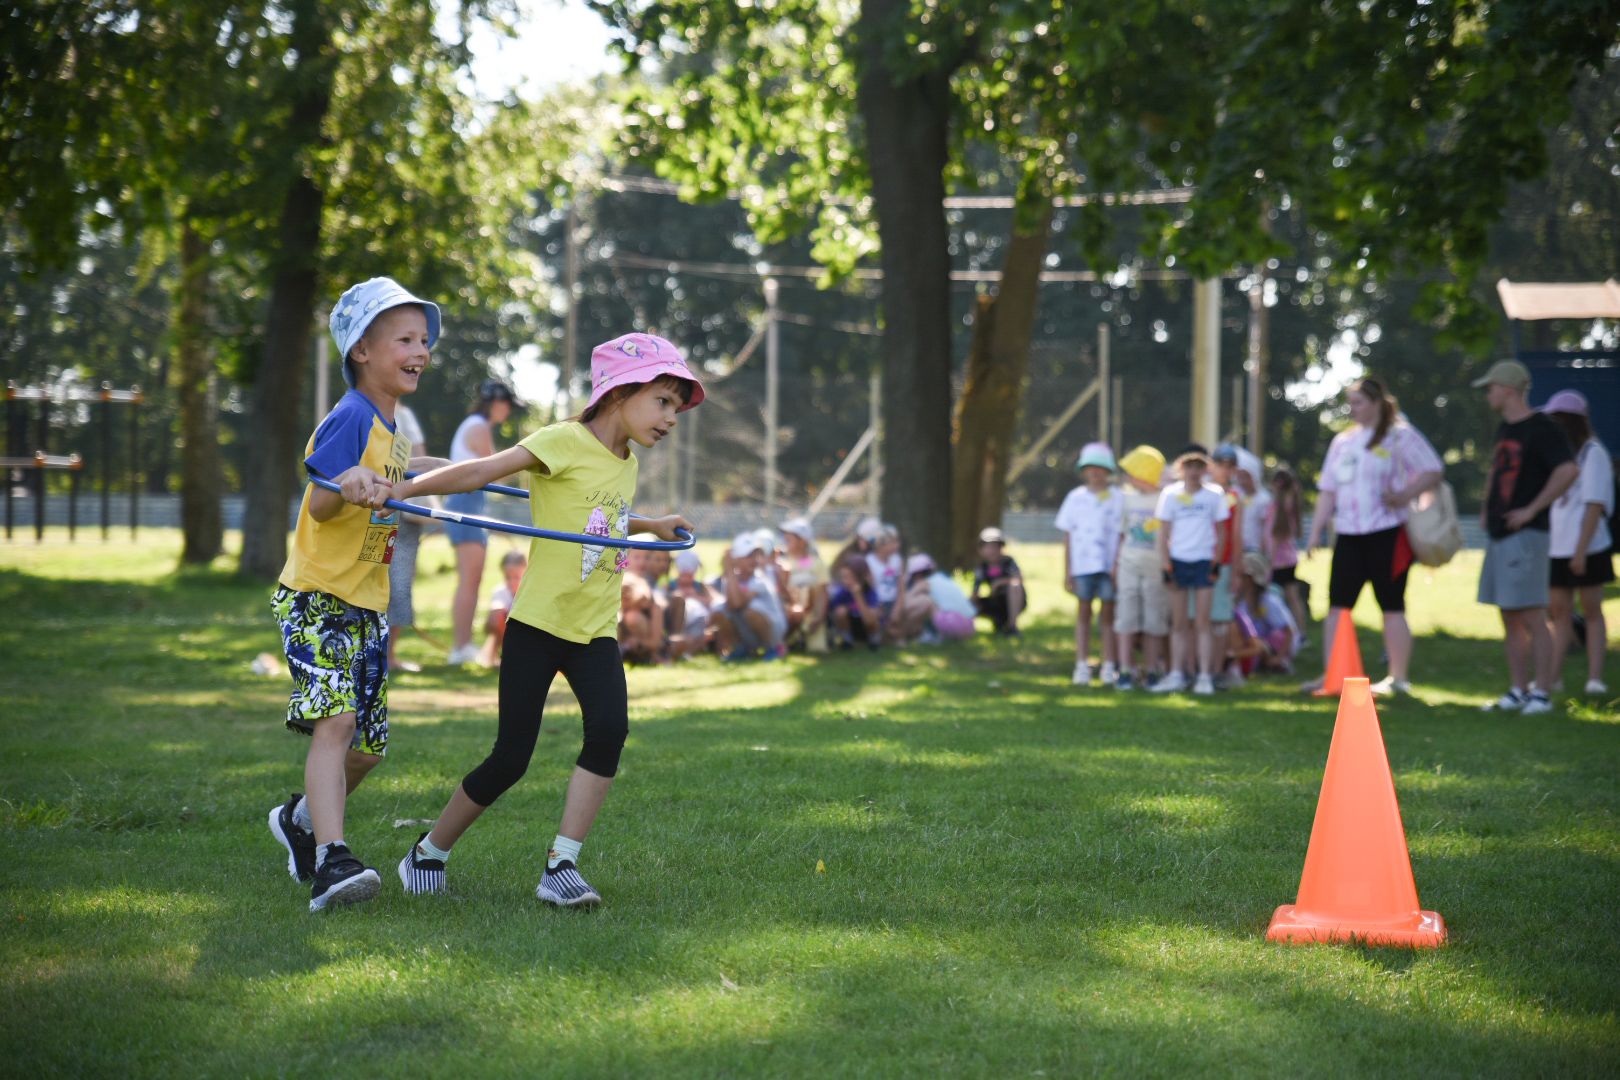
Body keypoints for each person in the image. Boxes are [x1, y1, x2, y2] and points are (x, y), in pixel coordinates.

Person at [388, 331, 701, 906]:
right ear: (619, 393)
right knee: (511, 758)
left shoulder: (624, 460)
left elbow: (602, 517)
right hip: (538, 624)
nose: (671, 419)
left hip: (595, 627)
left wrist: (651, 524)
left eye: (675, 408)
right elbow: (482, 472)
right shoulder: (563, 440)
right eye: (662, 402)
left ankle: (561, 865)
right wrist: (402, 491)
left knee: (609, 733)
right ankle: (427, 852)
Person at [266, 276, 444, 912]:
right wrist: (351, 481)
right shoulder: (350, 416)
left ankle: (300, 821)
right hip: (319, 596)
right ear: (362, 351)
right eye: (404, 338)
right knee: (336, 723)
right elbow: (318, 501)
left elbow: (401, 478)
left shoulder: (394, 429)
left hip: (368, 604)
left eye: (424, 339)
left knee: (368, 751)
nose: (420, 349)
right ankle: (333, 863)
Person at [1304, 376, 1444, 697]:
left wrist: (1405, 493)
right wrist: (1314, 533)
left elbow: (1433, 469)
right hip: (1349, 535)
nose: (1352, 409)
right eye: (1350, 403)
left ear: (1377, 403)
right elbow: (1327, 490)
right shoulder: (1343, 442)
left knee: (1392, 605)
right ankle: (1333, 674)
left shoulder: (1400, 436)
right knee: (1338, 605)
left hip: (1387, 534)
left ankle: (1398, 678)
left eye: (1358, 402)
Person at [1471, 361, 1579, 714]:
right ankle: (1518, 690)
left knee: (1533, 613)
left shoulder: (1543, 428)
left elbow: (1567, 470)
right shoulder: (1505, 428)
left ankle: (1541, 694)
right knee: (1508, 614)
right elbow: (1497, 471)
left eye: (1491, 387)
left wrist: (1532, 509)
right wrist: (1488, 508)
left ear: (1508, 389)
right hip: (1502, 533)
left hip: (1527, 535)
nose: (1488, 393)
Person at [1543, 391, 1613, 696]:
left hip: (1589, 547)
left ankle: (1595, 678)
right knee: (1559, 614)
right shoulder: (1562, 457)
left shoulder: (1594, 453)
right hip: (1558, 548)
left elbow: (1594, 505)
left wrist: (1581, 551)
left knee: (1592, 610)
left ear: (1568, 422)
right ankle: (1553, 678)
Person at [445, 378, 519, 665]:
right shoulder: (477, 427)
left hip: (471, 506)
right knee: (469, 579)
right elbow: (495, 470)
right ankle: (460, 647)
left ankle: (463, 645)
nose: (508, 412)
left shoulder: (476, 425)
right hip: (465, 506)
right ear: (496, 403)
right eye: (507, 406)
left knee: (471, 580)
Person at [1150, 451, 1228, 695]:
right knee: (1179, 622)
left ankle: (1204, 675)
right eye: (1189, 467)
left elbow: (1223, 531)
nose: (1194, 472)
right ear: (1181, 470)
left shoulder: (1215, 495)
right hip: (1178, 561)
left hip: (1204, 560)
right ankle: (1176, 673)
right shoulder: (1170, 494)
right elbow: (1163, 533)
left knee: (1203, 622)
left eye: (1199, 467)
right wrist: (1166, 564)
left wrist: (1216, 562)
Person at [1056, 442, 1124, 686]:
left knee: (1108, 616)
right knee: (1083, 613)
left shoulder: (1118, 498)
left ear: (1107, 471)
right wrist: (1067, 571)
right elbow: (1068, 537)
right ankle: (1081, 664)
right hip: (1082, 566)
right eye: (1090, 468)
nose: (1095, 473)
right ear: (1084, 471)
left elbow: (1121, 534)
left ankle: (1108, 663)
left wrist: (1117, 565)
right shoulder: (1075, 498)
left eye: (1100, 468)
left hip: (1108, 566)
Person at [1113, 445, 1170, 691]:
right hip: (1128, 565)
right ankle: (1125, 669)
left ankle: (1151, 669)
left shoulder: (1165, 498)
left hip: (1155, 567)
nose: (1127, 477)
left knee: (1153, 620)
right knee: (1126, 617)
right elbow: (1121, 535)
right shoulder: (1125, 498)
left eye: (1132, 471)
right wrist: (1115, 564)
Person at [386, 401, 429, 674]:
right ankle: (386, 656)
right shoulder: (399, 415)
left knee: (395, 584)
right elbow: (420, 459)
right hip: (396, 510)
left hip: (395, 510)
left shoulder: (401, 415)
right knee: (397, 582)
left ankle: (386, 655)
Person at [712, 532, 788, 661]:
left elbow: (738, 603)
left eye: (755, 555)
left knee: (751, 611)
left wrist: (729, 570)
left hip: (773, 631)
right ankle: (741, 648)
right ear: (736, 559)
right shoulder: (731, 580)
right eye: (748, 556)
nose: (754, 559)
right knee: (719, 610)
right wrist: (730, 572)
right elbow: (730, 606)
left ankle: (775, 648)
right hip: (749, 632)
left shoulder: (760, 580)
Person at [1231, 550, 1298, 677]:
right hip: (1252, 642)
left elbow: (1288, 630)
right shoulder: (1238, 600)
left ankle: (1278, 663)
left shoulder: (1268, 601)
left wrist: (1279, 657)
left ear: (1250, 579)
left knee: (1264, 642)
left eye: (1240, 576)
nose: (1236, 579)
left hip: (1268, 645)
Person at [1267, 466, 1310, 651]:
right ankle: (1300, 632)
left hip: (1278, 561)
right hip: (1289, 558)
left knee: (1279, 599)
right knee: (1293, 598)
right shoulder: (1292, 504)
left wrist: (1269, 561)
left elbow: (1275, 537)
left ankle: (1290, 634)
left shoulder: (1280, 507)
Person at [780, 517, 830, 652]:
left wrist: (819, 618)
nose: (785, 540)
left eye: (790, 537)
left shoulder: (817, 563)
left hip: (812, 614)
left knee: (816, 650)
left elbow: (822, 592)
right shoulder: (780, 562)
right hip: (788, 612)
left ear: (802, 541)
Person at [971, 527, 1026, 637]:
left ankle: (1012, 627)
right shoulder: (982, 567)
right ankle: (966, 629)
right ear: (981, 549)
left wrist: (1000, 582)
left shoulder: (1008, 562)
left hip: (1012, 600)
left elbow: (1019, 578)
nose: (992, 550)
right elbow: (975, 592)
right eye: (988, 547)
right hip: (994, 601)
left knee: (1015, 586)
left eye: (995, 547)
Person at [478, 549, 527, 668]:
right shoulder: (501, 592)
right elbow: (494, 617)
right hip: (507, 631)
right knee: (498, 617)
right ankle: (494, 656)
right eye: (507, 577)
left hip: (526, 632)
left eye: (516, 577)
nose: (511, 581)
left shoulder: (529, 592)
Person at [828, 554, 883, 648]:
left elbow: (870, 620)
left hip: (867, 627)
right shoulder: (843, 591)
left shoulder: (870, 592)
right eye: (843, 577)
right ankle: (847, 640)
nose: (845, 581)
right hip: (851, 626)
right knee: (840, 611)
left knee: (874, 613)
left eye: (848, 577)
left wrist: (858, 596)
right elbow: (833, 610)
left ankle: (873, 639)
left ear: (860, 576)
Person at [866, 524, 904, 619]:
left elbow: (901, 586)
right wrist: (877, 605)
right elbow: (870, 588)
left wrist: (898, 608)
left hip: (894, 602)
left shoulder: (897, 560)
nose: (897, 545)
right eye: (892, 542)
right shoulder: (869, 562)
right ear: (880, 545)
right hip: (878, 603)